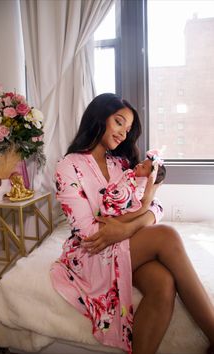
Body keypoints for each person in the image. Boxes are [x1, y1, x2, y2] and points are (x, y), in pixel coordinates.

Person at [50, 93, 214, 354]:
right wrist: (135, 220)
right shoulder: (68, 166)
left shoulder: (122, 165)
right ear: (98, 117)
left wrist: (127, 227)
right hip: (92, 254)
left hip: (121, 245)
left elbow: (155, 207)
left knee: (163, 283)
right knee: (167, 236)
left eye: (127, 130)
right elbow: (87, 233)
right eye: (118, 123)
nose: (123, 135)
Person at [99, 149, 166, 217]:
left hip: (123, 200)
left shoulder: (141, 186)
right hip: (115, 192)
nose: (139, 165)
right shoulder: (129, 172)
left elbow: (136, 198)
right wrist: (111, 187)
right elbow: (117, 180)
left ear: (148, 178)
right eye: (141, 162)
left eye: (143, 167)